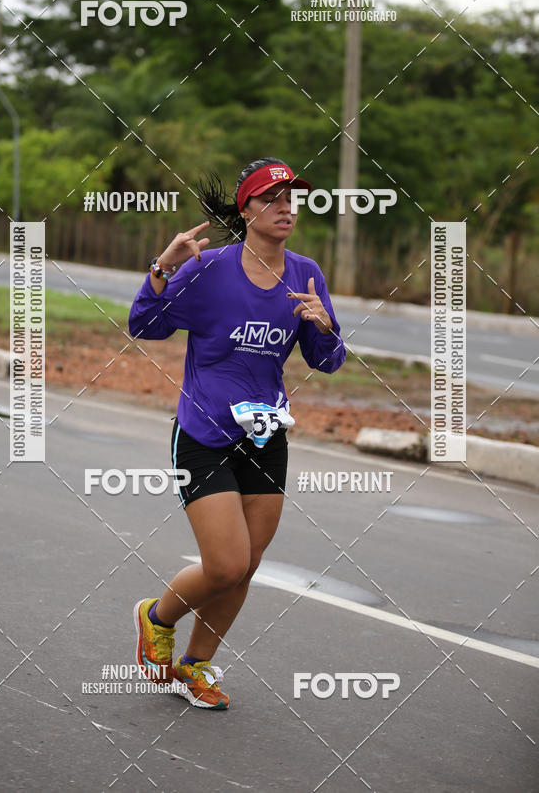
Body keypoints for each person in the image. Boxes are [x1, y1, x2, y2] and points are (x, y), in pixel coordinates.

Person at [128, 157, 346, 709]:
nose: (285, 209)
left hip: (266, 435)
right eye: (272, 199)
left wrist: (325, 326)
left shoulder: (305, 273)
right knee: (225, 563)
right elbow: (145, 325)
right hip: (203, 433)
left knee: (246, 565)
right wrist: (162, 266)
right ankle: (157, 617)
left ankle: (196, 666)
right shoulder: (210, 269)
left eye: (291, 199)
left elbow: (327, 360)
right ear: (246, 209)